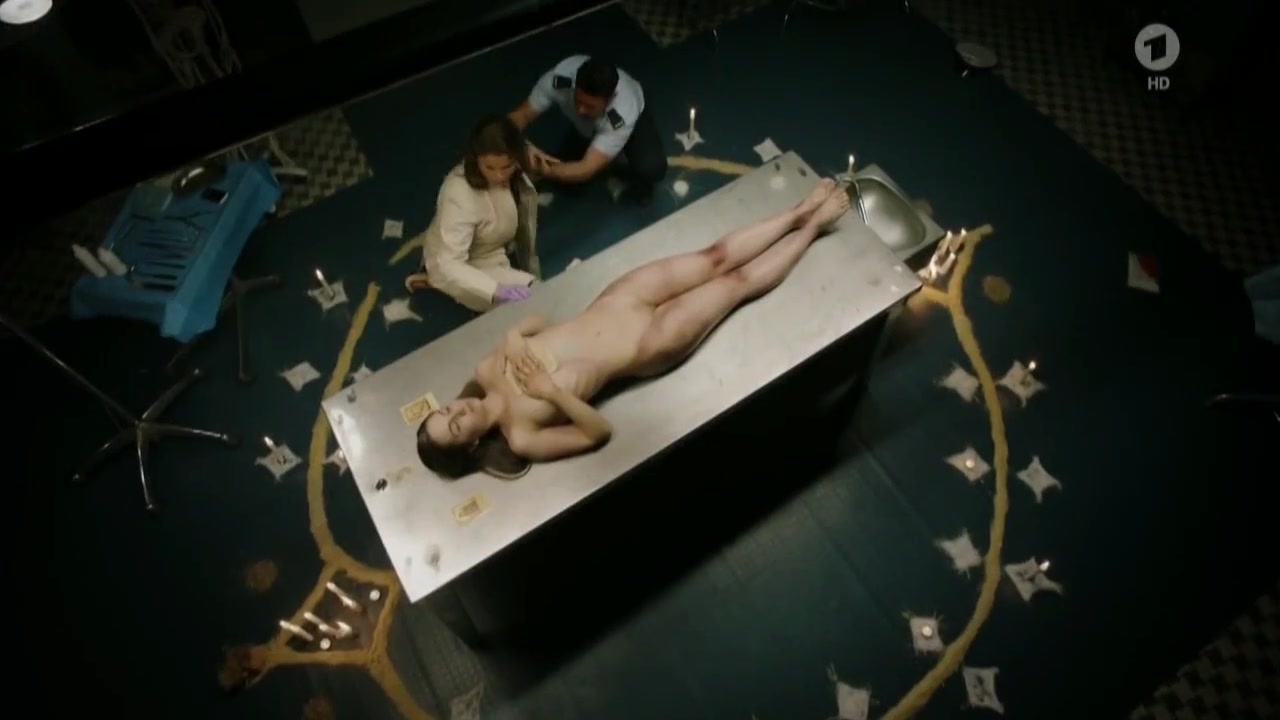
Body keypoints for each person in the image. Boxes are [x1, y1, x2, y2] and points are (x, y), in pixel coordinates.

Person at [416, 179, 852, 477]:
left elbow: (541, 322)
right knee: (735, 283)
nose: (459, 412)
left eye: (447, 411)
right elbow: (597, 433)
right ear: (470, 446)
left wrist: (514, 337)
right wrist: (552, 393)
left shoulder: (488, 369)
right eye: (455, 427)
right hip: (647, 344)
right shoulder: (523, 435)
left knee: (713, 257)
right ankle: (814, 228)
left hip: (616, 302)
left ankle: (799, 212)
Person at [405, 115, 541, 312]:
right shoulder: (458, 194)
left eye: (507, 167)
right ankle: (436, 280)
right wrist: (494, 290)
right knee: (532, 299)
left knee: (534, 295)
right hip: (469, 263)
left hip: (494, 248)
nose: (499, 176)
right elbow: (450, 262)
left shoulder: (513, 160)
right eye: (490, 168)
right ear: (476, 159)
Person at [508, 55, 668, 203]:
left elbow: (586, 168)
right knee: (570, 185)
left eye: (590, 106)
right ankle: (601, 149)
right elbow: (521, 115)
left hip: (631, 118)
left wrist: (542, 170)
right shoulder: (558, 79)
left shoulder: (622, 113)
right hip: (587, 128)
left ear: (611, 98)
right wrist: (512, 143)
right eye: (578, 101)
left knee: (652, 167)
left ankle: (617, 160)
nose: (580, 110)